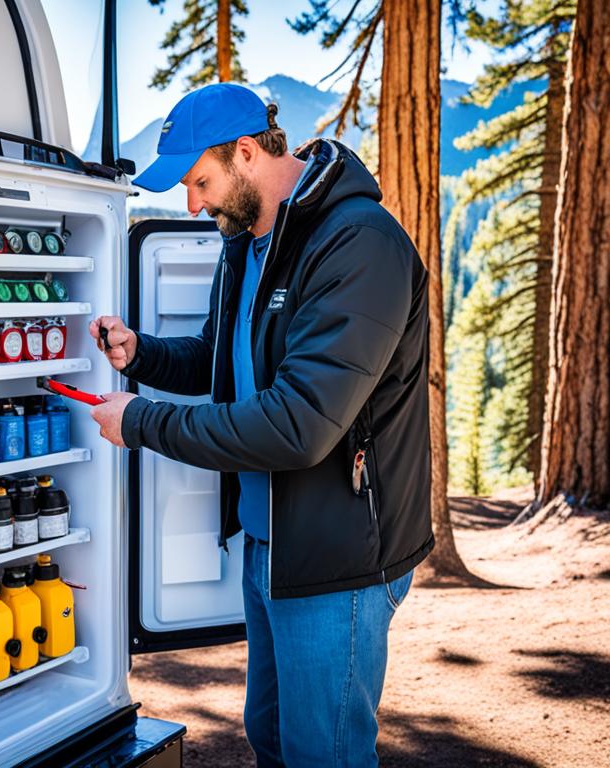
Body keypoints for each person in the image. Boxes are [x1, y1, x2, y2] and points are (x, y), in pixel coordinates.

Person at [89, 83, 434, 767]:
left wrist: (143, 424)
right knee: (271, 738)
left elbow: (300, 425)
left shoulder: (359, 246)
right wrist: (142, 352)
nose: (193, 204)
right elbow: (222, 360)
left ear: (247, 153)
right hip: (268, 545)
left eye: (201, 181)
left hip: (339, 560)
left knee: (323, 755)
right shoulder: (248, 240)